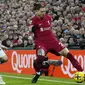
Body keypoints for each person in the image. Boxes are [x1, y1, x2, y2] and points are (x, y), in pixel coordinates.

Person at [29, 3, 83, 83]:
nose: (43, 13)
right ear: (36, 11)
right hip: (41, 43)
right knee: (40, 58)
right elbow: (30, 29)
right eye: (41, 11)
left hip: (53, 41)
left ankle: (81, 71)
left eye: (44, 11)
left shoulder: (48, 18)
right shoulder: (33, 20)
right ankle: (38, 73)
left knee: (68, 53)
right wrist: (32, 29)